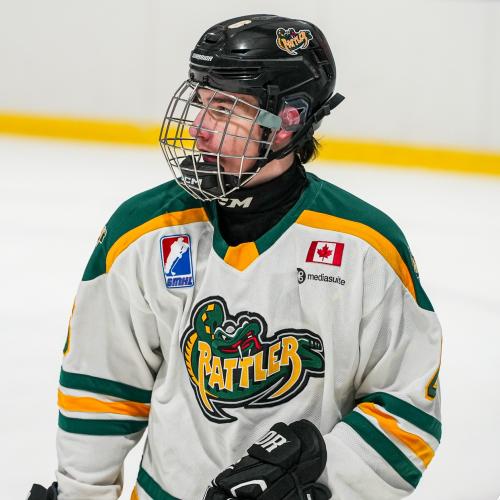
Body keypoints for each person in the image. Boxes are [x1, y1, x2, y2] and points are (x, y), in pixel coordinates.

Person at [29, 14, 442, 500]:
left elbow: (407, 407)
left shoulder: (365, 247)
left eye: (224, 109)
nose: (198, 128)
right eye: (201, 102)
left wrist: (320, 475)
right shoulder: (143, 231)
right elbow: (101, 386)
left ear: (288, 121)